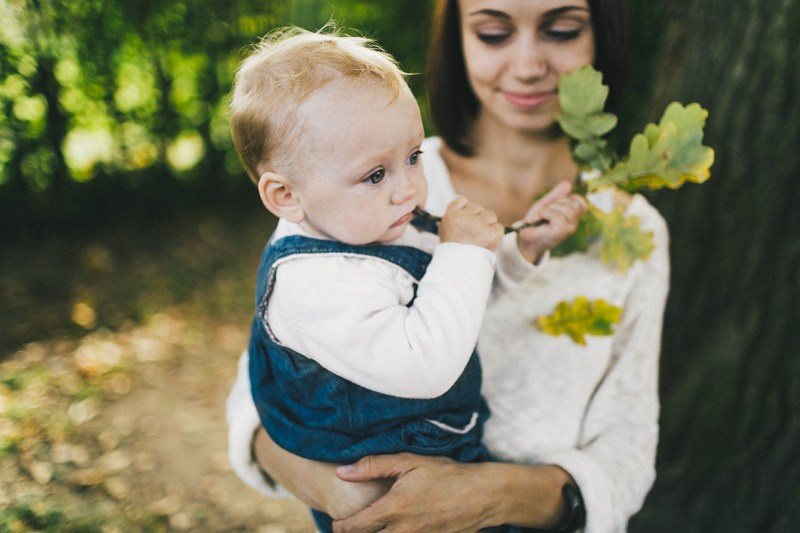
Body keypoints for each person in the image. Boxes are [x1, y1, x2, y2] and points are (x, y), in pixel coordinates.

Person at [226, 1, 669, 531]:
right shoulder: (337, 178)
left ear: (603, 34)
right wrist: (344, 495)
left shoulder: (633, 232)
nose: (528, 64)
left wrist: (521, 252)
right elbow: (264, 391)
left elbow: (629, 444)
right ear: (455, 37)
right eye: (493, 33)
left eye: (562, 29)